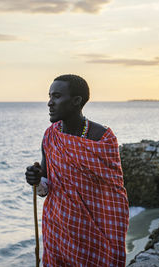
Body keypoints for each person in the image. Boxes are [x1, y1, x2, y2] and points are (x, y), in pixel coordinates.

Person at [25, 74, 129, 266]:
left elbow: (114, 192)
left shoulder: (102, 138)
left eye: (56, 97)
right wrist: (36, 180)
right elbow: (46, 188)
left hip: (95, 234)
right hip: (59, 231)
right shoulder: (50, 136)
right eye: (49, 96)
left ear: (76, 101)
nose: (49, 103)